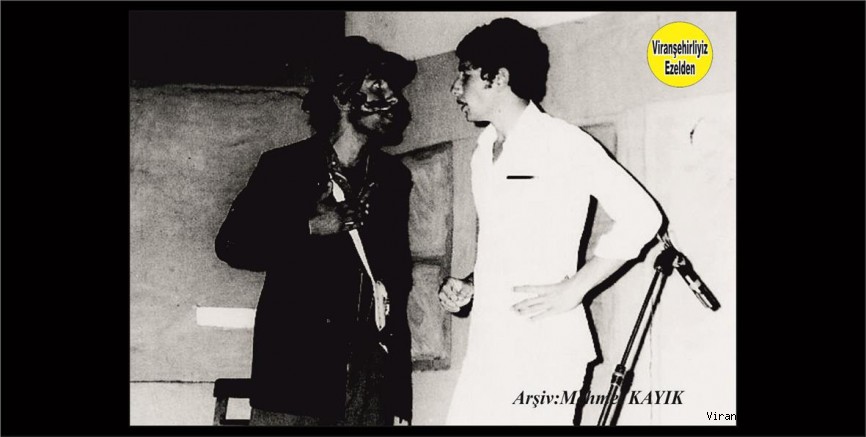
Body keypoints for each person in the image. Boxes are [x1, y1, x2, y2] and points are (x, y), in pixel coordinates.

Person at [438, 18, 664, 425]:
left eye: (465, 74)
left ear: (498, 78)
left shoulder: (562, 142)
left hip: (545, 346)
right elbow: (511, 245)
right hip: (489, 346)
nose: (455, 88)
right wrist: (472, 284)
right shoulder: (483, 153)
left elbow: (644, 215)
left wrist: (576, 288)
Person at [215, 36, 417, 426]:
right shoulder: (285, 167)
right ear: (342, 97)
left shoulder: (392, 178)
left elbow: (395, 283)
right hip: (295, 374)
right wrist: (309, 228)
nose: (394, 100)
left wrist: (398, 397)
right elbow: (232, 245)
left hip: (368, 382)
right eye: (377, 87)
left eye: (393, 90)